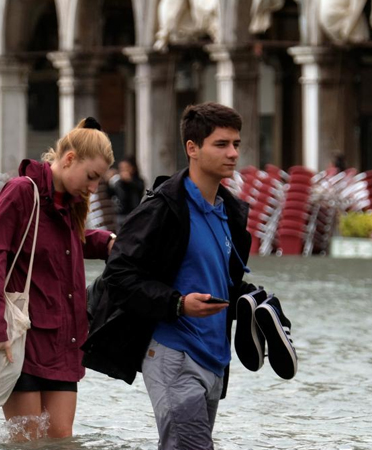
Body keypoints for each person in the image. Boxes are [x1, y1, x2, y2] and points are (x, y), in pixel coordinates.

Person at [83, 103, 295, 449]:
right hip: (172, 353)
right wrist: (177, 304)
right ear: (192, 149)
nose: (232, 153)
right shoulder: (162, 208)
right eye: (221, 144)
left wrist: (250, 297)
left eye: (236, 144)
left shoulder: (229, 212)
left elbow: (217, 278)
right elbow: (119, 275)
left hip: (215, 358)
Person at [0, 118, 116, 441]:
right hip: (21, 342)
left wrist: (105, 242)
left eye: (99, 181)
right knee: (28, 441)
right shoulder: (22, 192)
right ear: (69, 159)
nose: (93, 188)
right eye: (91, 177)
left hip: (65, 342)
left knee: (62, 439)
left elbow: (65, 242)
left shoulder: (70, 205)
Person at [108, 156, 146, 227]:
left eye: (126, 168)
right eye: (121, 168)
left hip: (134, 214)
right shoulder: (118, 182)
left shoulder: (137, 181)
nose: (124, 171)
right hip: (120, 215)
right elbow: (110, 194)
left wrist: (129, 181)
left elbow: (139, 190)